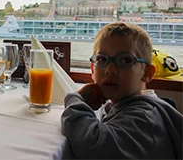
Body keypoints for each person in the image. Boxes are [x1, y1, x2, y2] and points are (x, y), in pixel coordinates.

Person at [61, 22, 183, 160]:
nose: (110, 69)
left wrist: (76, 99)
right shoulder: (123, 105)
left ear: (147, 73)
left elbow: (91, 145)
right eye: (102, 59)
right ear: (92, 70)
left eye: (125, 60)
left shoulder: (144, 119)